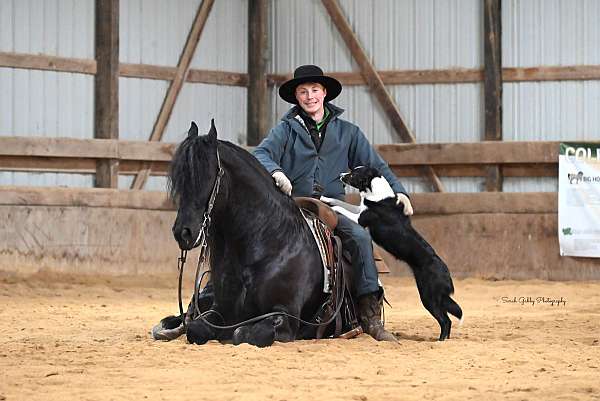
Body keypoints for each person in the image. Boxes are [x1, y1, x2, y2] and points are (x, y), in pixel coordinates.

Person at [253, 65, 413, 342]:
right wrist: (276, 172)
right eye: (303, 92)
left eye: (314, 90)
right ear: (296, 98)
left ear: (324, 93)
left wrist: (399, 191)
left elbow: (375, 165)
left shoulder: (348, 133)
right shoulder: (285, 131)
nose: (309, 96)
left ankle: (369, 314)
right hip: (292, 204)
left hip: (332, 206)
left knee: (361, 237)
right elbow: (260, 154)